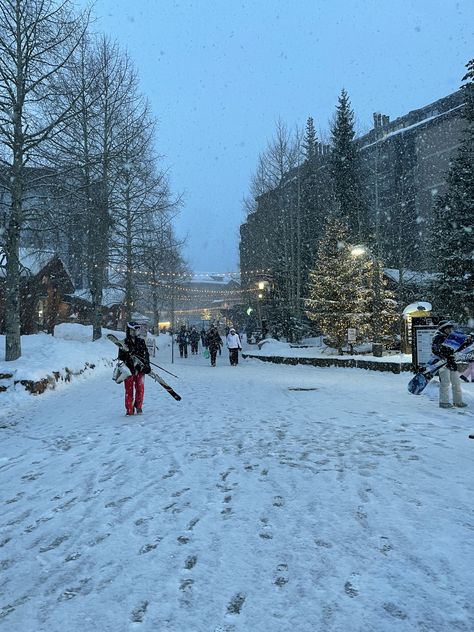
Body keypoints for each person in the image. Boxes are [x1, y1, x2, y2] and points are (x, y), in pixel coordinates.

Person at [431, 320, 467, 409]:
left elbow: (458, 348)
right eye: (448, 329)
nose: (450, 330)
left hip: (452, 362)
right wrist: (444, 354)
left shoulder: (451, 337)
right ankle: (444, 402)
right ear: (443, 329)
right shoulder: (438, 337)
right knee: (445, 383)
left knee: (456, 383)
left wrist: (465, 342)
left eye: (450, 329)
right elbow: (435, 350)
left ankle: (458, 401)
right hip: (443, 363)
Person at [118, 321, 151, 416]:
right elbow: (121, 358)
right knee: (129, 391)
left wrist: (147, 366)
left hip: (140, 369)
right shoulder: (124, 343)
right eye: (134, 330)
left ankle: (139, 406)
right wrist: (128, 356)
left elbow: (146, 355)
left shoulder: (141, 342)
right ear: (129, 330)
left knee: (140, 389)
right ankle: (129, 410)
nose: (136, 332)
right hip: (128, 371)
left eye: (137, 330)